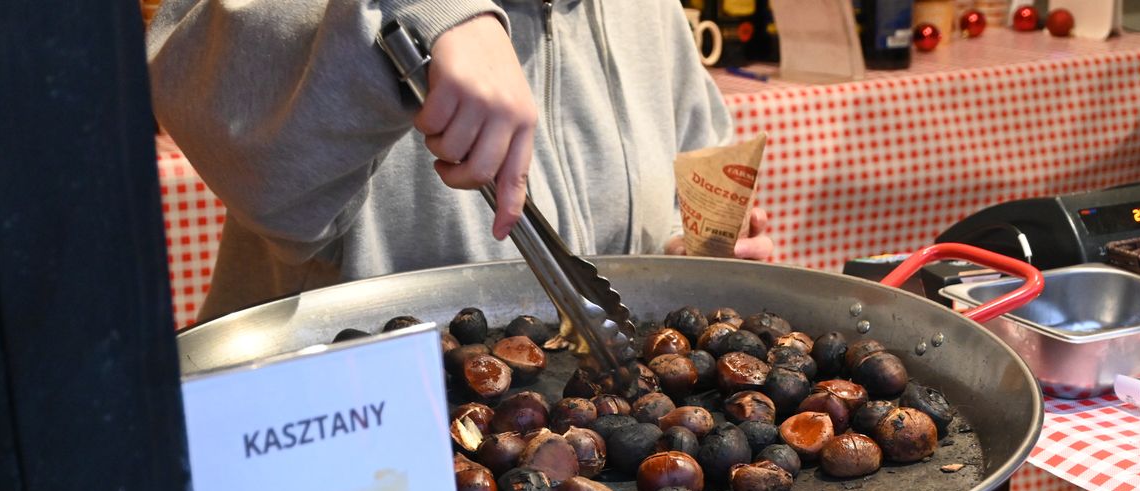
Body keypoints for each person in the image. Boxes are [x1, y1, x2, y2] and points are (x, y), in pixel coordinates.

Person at [146, 0, 773, 323]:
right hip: (356, 471)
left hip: (572, 485)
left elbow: (685, 168)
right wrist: (422, 15)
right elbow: (207, 104)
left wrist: (684, 260)